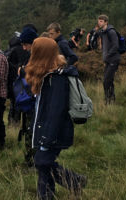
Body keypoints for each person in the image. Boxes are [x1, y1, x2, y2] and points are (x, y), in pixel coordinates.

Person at [25, 37, 87, 199]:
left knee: (42, 162)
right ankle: (69, 185)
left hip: (53, 132)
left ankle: (74, 181)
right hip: (45, 129)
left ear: (39, 53)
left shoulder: (57, 78)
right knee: (43, 166)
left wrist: (46, 138)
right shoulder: (46, 74)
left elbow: (56, 111)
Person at [18, 26, 38, 167]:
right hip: (29, 100)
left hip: (35, 101)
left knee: (32, 131)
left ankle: (32, 162)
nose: (24, 48)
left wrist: (23, 72)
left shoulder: (38, 57)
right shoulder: (31, 56)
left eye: (26, 44)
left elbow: (36, 77)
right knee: (28, 130)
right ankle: (30, 160)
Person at [98, 14, 121, 104]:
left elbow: (116, 46)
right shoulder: (103, 32)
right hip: (108, 60)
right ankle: (111, 100)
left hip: (113, 59)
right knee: (109, 80)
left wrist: (107, 55)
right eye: (98, 21)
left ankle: (108, 100)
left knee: (106, 81)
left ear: (106, 22)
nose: (99, 23)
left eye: (101, 21)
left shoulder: (111, 32)